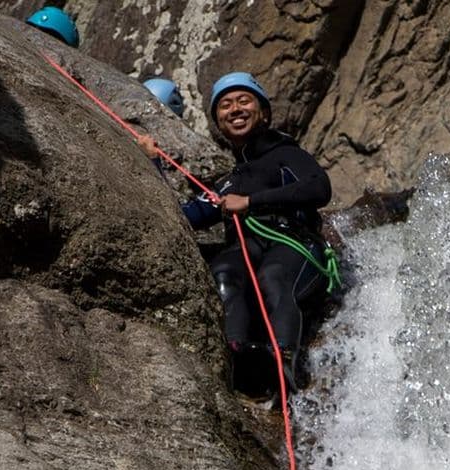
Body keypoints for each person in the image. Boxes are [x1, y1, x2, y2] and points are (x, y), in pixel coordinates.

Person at [138, 72, 333, 398]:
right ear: (219, 123)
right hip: (248, 247)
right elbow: (182, 218)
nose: (235, 109)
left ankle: (283, 359)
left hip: (293, 241)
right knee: (224, 273)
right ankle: (234, 356)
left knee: (273, 276)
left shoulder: (286, 154)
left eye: (244, 101)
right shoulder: (228, 183)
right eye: (225, 106)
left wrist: (251, 202)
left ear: (264, 113)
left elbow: (319, 187)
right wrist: (153, 164)